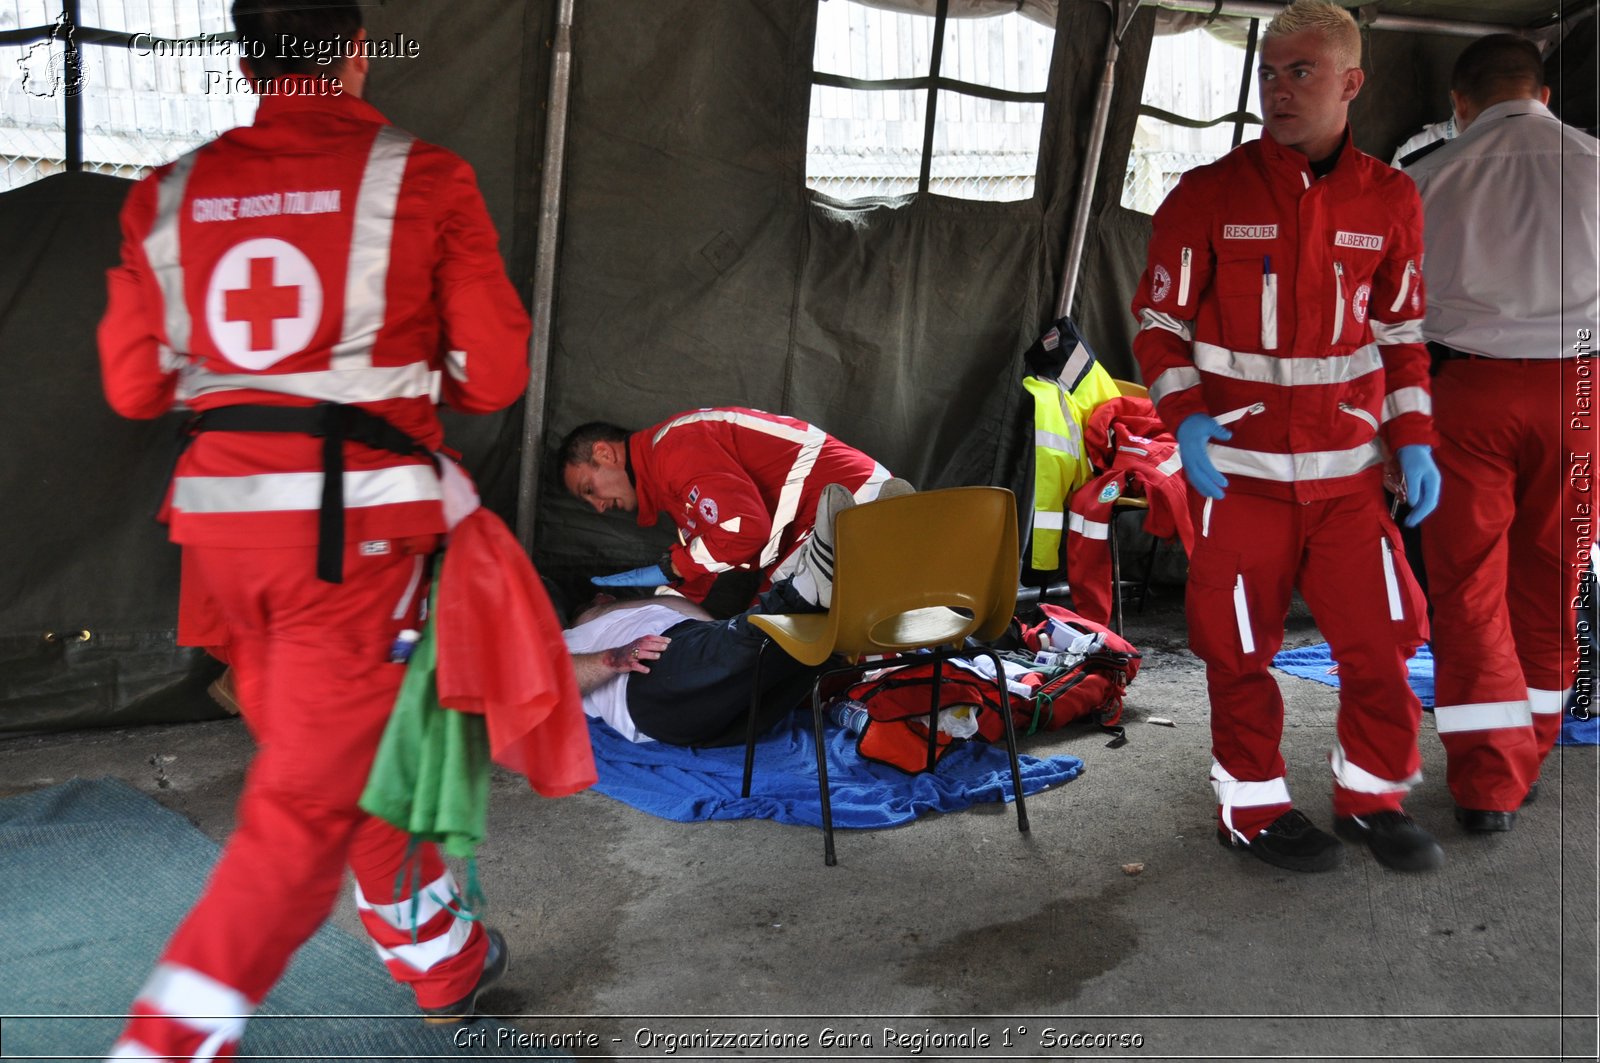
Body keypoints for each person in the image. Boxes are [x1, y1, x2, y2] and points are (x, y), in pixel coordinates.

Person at [96, 2, 532, 1056]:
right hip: (353, 551)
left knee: (346, 755)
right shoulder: (421, 176)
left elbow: (134, 388)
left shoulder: (168, 194)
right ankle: (163, 1042)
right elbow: (494, 374)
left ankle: (440, 960)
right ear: (352, 51)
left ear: (246, 60)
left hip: (224, 546)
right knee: (295, 827)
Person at [1130, 0, 1445, 874]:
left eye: (1300, 71)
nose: (1277, 87)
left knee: (1383, 637)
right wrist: (1186, 421)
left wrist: (1412, 437)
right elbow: (1158, 325)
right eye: (1268, 71)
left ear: (1351, 83)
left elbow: (1400, 334)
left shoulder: (1391, 198)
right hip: (1240, 481)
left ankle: (1373, 795)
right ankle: (1253, 806)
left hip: (1349, 483)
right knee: (1236, 647)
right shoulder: (1208, 195)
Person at [1405, 34, 1600, 832]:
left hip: (1467, 393)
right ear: (1542, 93)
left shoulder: (1423, 179)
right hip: (1580, 397)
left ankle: (1488, 785)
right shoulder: (1595, 163)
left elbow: (1393, 311)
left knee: (1468, 586)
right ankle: (1535, 749)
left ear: (1461, 103)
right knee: (1553, 576)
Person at [565, 482, 892, 746]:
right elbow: (555, 678)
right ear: (595, 599)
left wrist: (724, 644)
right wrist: (613, 658)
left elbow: (703, 627)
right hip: (648, 683)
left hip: (727, 707)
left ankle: (864, 581)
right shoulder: (572, 635)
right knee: (753, 636)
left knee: (805, 653)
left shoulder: (636, 608)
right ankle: (807, 590)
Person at [558, 408, 896, 606]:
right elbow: (701, 565)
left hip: (845, 506)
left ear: (605, 454)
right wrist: (658, 610)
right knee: (763, 629)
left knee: (770, 637)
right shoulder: (669, 477)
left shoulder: (673, 449)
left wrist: (678, 566)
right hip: (824, 520)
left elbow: (743, 528)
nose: (598, 507)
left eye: (589, 489)